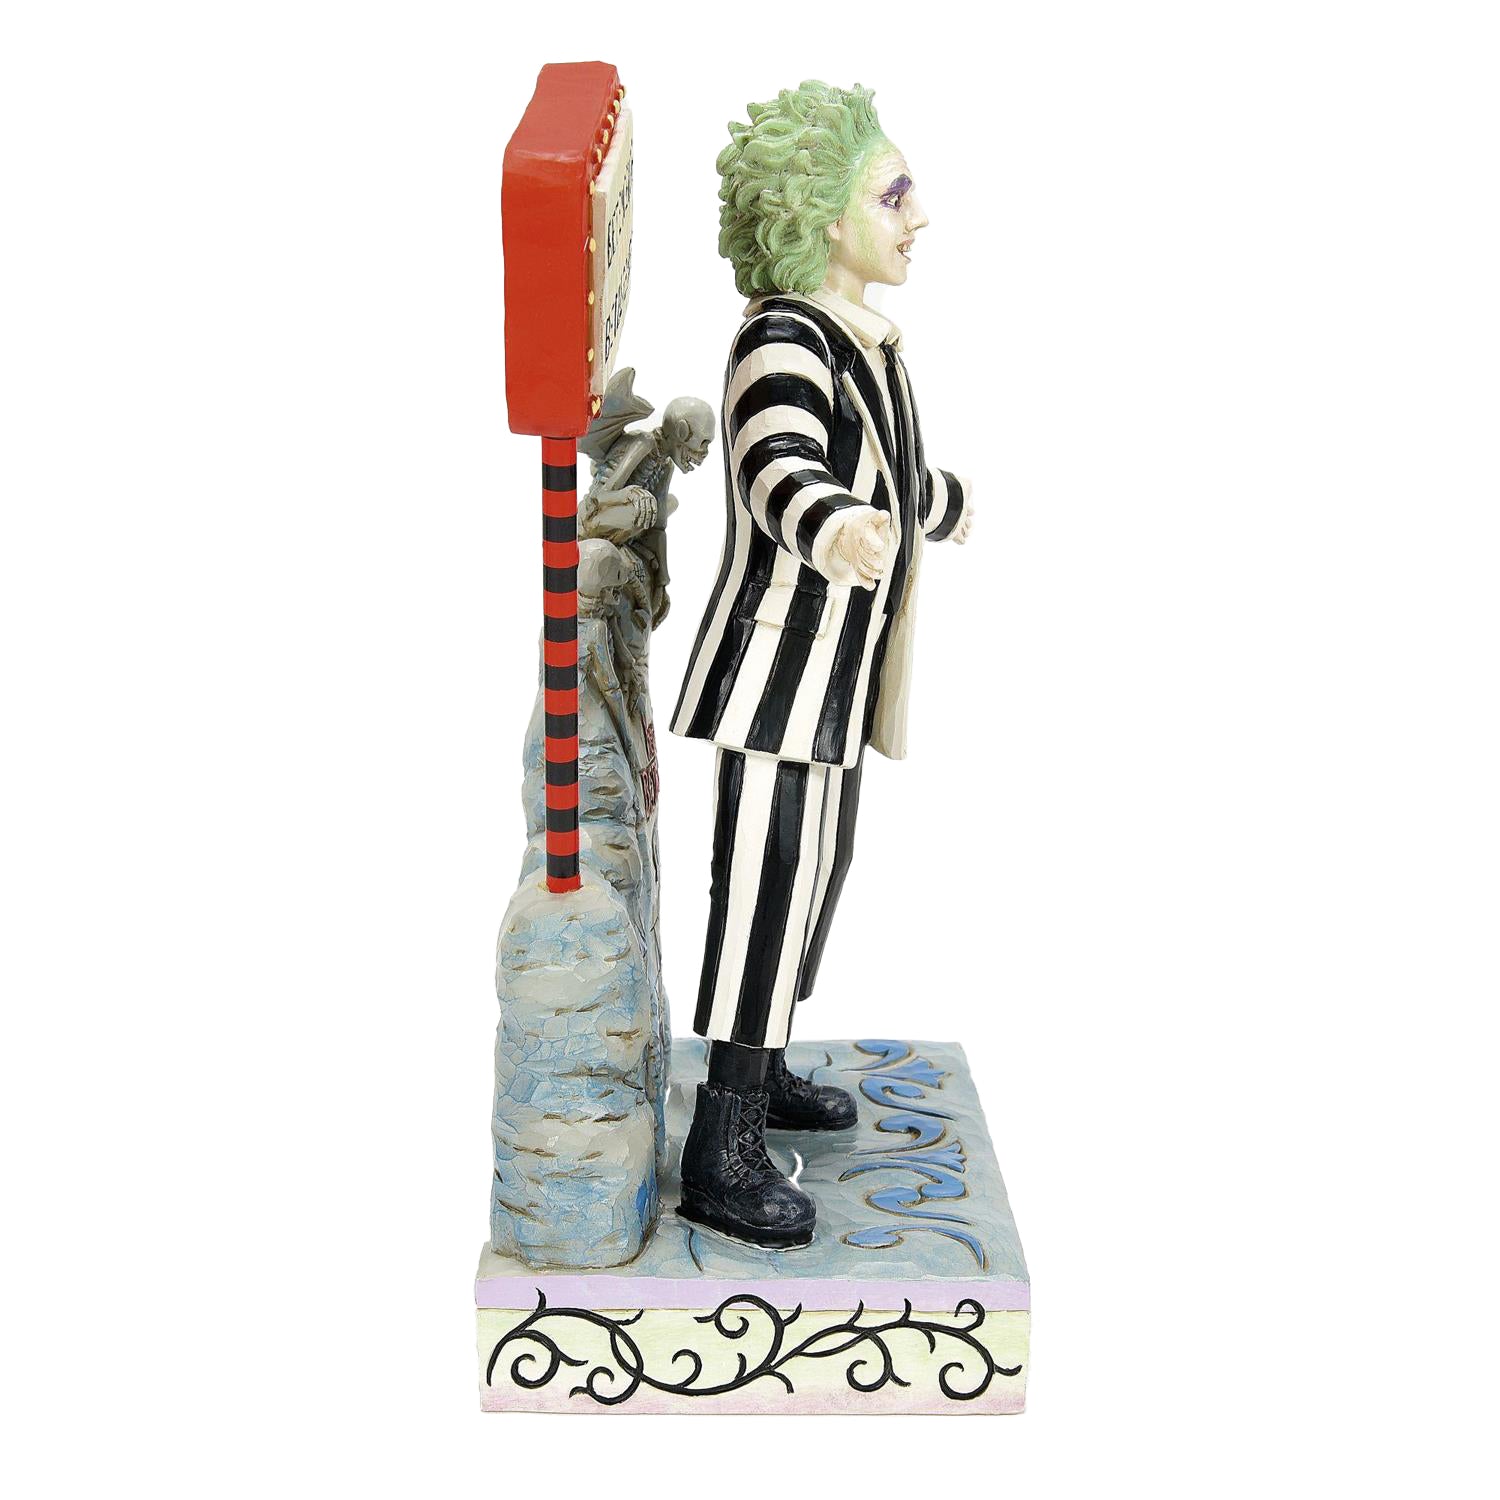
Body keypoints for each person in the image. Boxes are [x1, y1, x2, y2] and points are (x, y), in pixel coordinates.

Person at [671, 81, 975, 1247]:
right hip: (777, 686)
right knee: (763, 893)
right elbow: (780, 464)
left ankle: (767, 1065)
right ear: (823, 215)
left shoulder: (862, 342)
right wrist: (834, 525)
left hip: (835, 690)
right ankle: (723, 1143)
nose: (918, 216)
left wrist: (939, 504)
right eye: (893, 195)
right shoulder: (782, 341)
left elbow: (886, 463)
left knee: (813, 879)